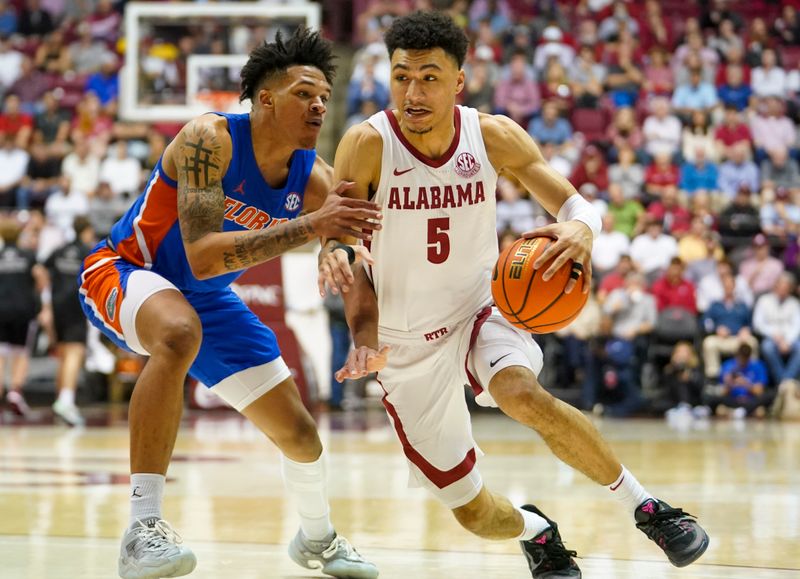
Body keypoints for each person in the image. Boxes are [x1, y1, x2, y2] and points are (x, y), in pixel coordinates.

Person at [317, 12, 709, 578]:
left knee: (520, 393)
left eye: (429, 77)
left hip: (480, 309)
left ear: (459, 81)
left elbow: (573, 203)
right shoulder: (367, 142)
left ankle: (648, 508)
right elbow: (341, 235)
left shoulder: (491, 134)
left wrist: (582, 228)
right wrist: (335, 254)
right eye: (402, 76)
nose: (413, 91)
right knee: (474, 514)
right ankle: (537, 529)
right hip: (404, 344)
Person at [78, 29, 380, 579]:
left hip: (204, 302)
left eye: (323, 98)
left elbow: (351, 251)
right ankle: (142, 528)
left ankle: (318, 538)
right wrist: (316, 228)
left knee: (300, 433)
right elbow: (201, 258)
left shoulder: (314, 177)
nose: (318, 106)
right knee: (176, 331)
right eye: (303, 94)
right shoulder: (207, 139)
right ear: (266, 98)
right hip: (126, 271)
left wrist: (360, 325)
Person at [40, 216, 97, 426]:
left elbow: (42, 269)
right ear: (87, 231)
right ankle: (66, 400)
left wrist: (46, 300)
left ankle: (61, 401)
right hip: (76, 303)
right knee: (75, 352)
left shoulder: (60, 250)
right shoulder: (87, 252)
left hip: (57, 304)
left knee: (63, 352)